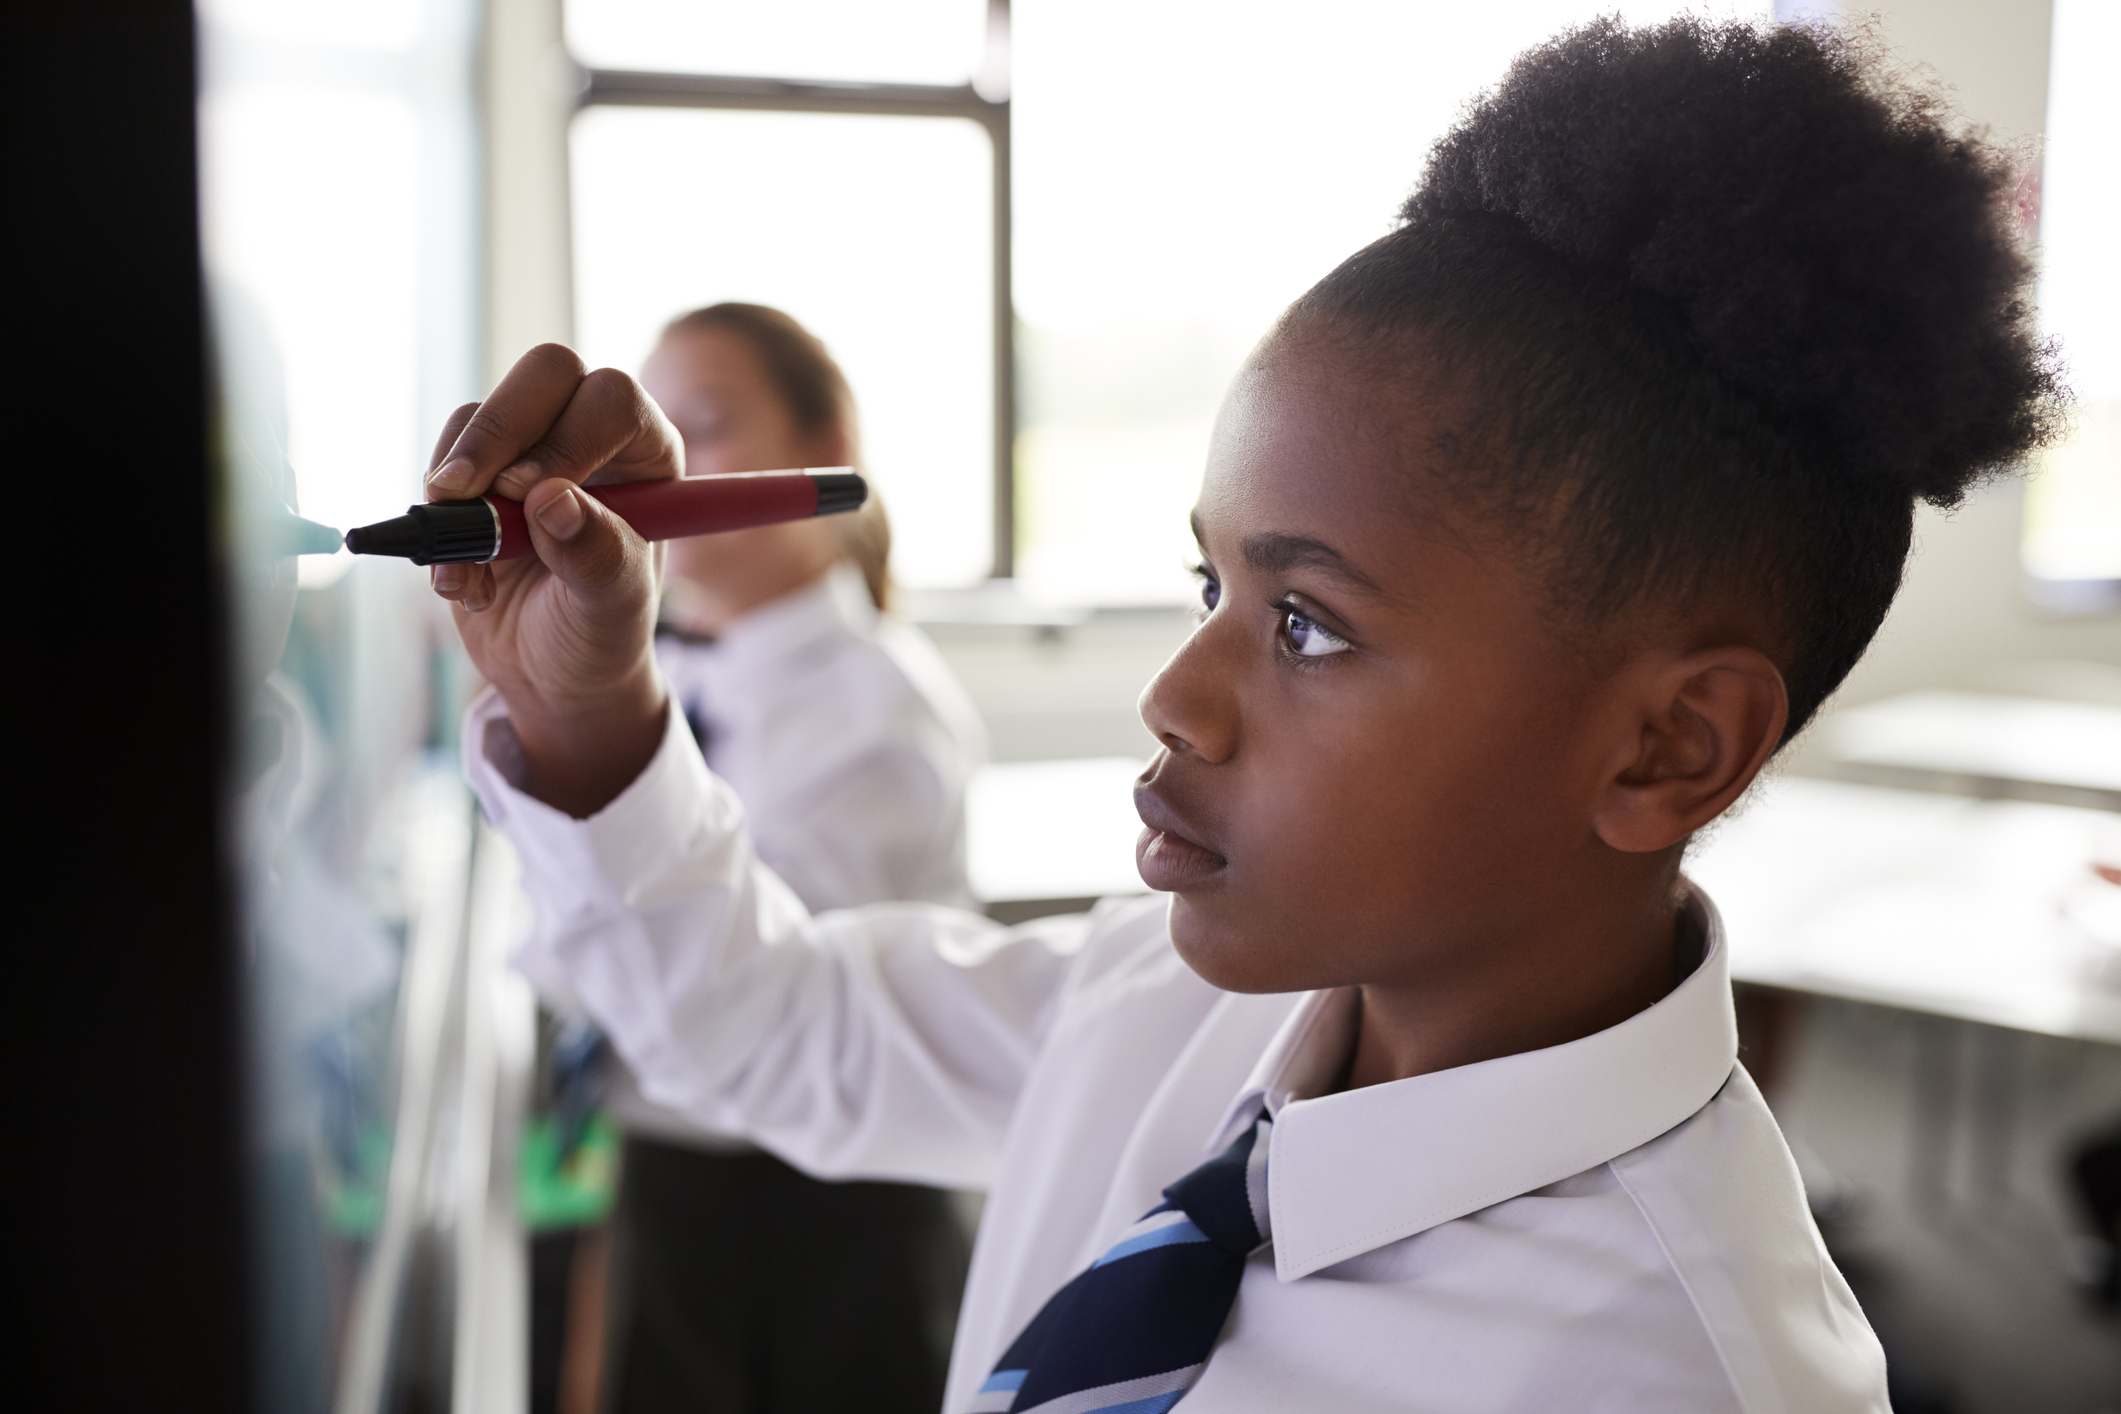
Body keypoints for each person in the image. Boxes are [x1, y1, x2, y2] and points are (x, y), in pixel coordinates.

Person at [424, 17, 2063, 1412]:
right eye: (1205, 584)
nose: (1174, 694)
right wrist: (588, 707)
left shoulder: (1674, 1367)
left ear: (1669, 746)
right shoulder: (1163, 993)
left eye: (1305, 620)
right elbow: (778, 1028)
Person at [534, 303, 985, 1414]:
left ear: (823, 444)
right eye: (647, 440)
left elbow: (739, 996)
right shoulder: (674, 666)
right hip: (680, 1185)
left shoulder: (879, 717)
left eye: (708, 424)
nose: (660, 476)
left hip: (821, 1215)